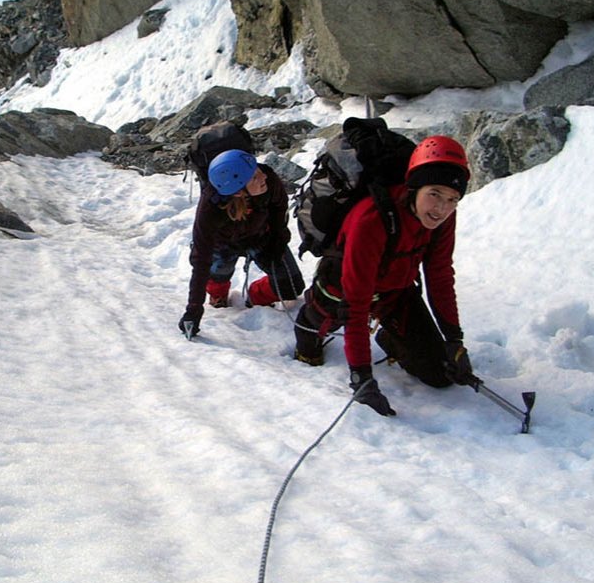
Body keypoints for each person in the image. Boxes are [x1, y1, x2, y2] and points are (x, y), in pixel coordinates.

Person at [292, 135, 475, 416]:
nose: (441, 208)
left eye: (452, 199)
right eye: (434, 194)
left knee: (440, 374)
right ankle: (308, 322)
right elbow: (355, 305)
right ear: (415, 186)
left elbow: (439, 275)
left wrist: (454, 340)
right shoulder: (372, 219)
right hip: (342, 286)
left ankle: (391, 339)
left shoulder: (441, 219)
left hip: (396, 289)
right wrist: (361, 377)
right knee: (312, 338)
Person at [178, 149, 305, 338]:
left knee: (291, 285)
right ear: (237, 191)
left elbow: (279, 211)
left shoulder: (268, 179)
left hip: (261, 236)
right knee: (216, 275)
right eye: (254, 177)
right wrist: (194, 309)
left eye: (257, 169)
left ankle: (255, 295)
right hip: (223, 243)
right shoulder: (210, 207)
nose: (263, 176)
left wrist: (278, 242)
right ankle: (218, 294)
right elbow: (201, 257)